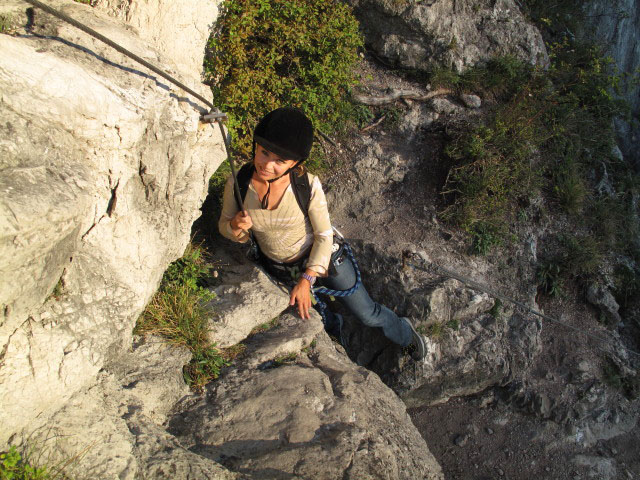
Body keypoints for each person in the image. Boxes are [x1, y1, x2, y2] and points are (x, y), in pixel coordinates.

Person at [218, 107, 426, 359]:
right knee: (317, 317)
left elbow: (324, 236)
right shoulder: (239, 183)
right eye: (264, 153)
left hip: (326, 258)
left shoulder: (306, 186)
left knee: (367, 314)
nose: (267, 165)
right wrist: (235, 227)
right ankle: (335, 328)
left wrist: (307, 279)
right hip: (281, 268)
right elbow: (224, 225)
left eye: (280, 161)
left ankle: (404, 334)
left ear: (294, 163)